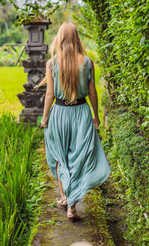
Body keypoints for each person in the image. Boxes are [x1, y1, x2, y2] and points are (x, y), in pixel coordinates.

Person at [37, 22, 111, 222]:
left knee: (61, 157)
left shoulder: (52, 63)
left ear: (60, 38)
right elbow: (93, 92)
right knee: (79, 158)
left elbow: (50, 94)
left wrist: (45, 118)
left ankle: (64, 196)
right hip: (81, 112)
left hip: (59, 114)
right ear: (77, 38)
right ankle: (72, 205)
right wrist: (95, 115)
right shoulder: (87, 62)